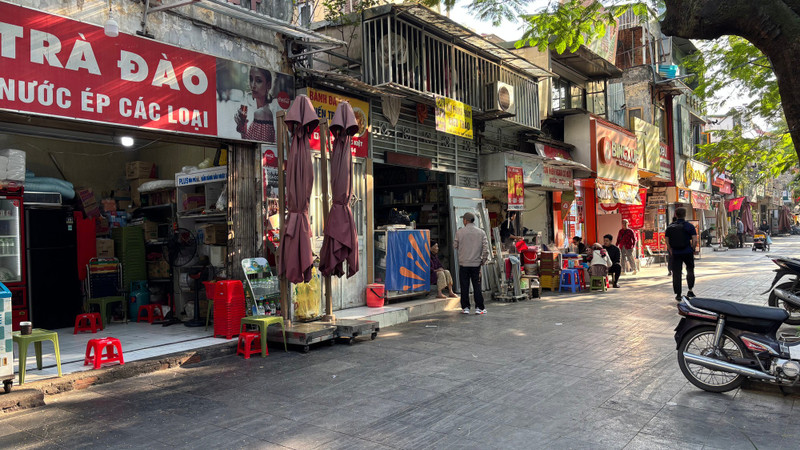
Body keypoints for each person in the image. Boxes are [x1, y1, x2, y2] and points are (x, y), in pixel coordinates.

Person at [453, 212, 489, 315]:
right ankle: (479, 308)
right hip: (476, 265)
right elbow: (486, 249)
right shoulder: (481, 232)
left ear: (465, 220)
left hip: (463, 264)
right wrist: (483, 260)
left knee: (464, 286)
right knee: (477, 286)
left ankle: (465, 308)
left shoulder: (459, 232)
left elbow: (455, 245)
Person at [665, 207, 698, 301]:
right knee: (690, 270)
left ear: (675, 214)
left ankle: (678, 294)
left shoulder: (670, 227)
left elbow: (667, 241)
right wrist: (693, 248)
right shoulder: (689, 226)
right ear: (685, 214)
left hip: (675, 252)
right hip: (687, 251)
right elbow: (694, 239)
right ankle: (690, 290)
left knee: (676, 273)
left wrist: (670, 250)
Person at [235, 67, 276, 142]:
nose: (253, 85)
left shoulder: (261, 113)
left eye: (258, 81)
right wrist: (242, 125)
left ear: (268, 85)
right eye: (251, 79)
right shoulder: (263, 111)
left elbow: (253, 144)